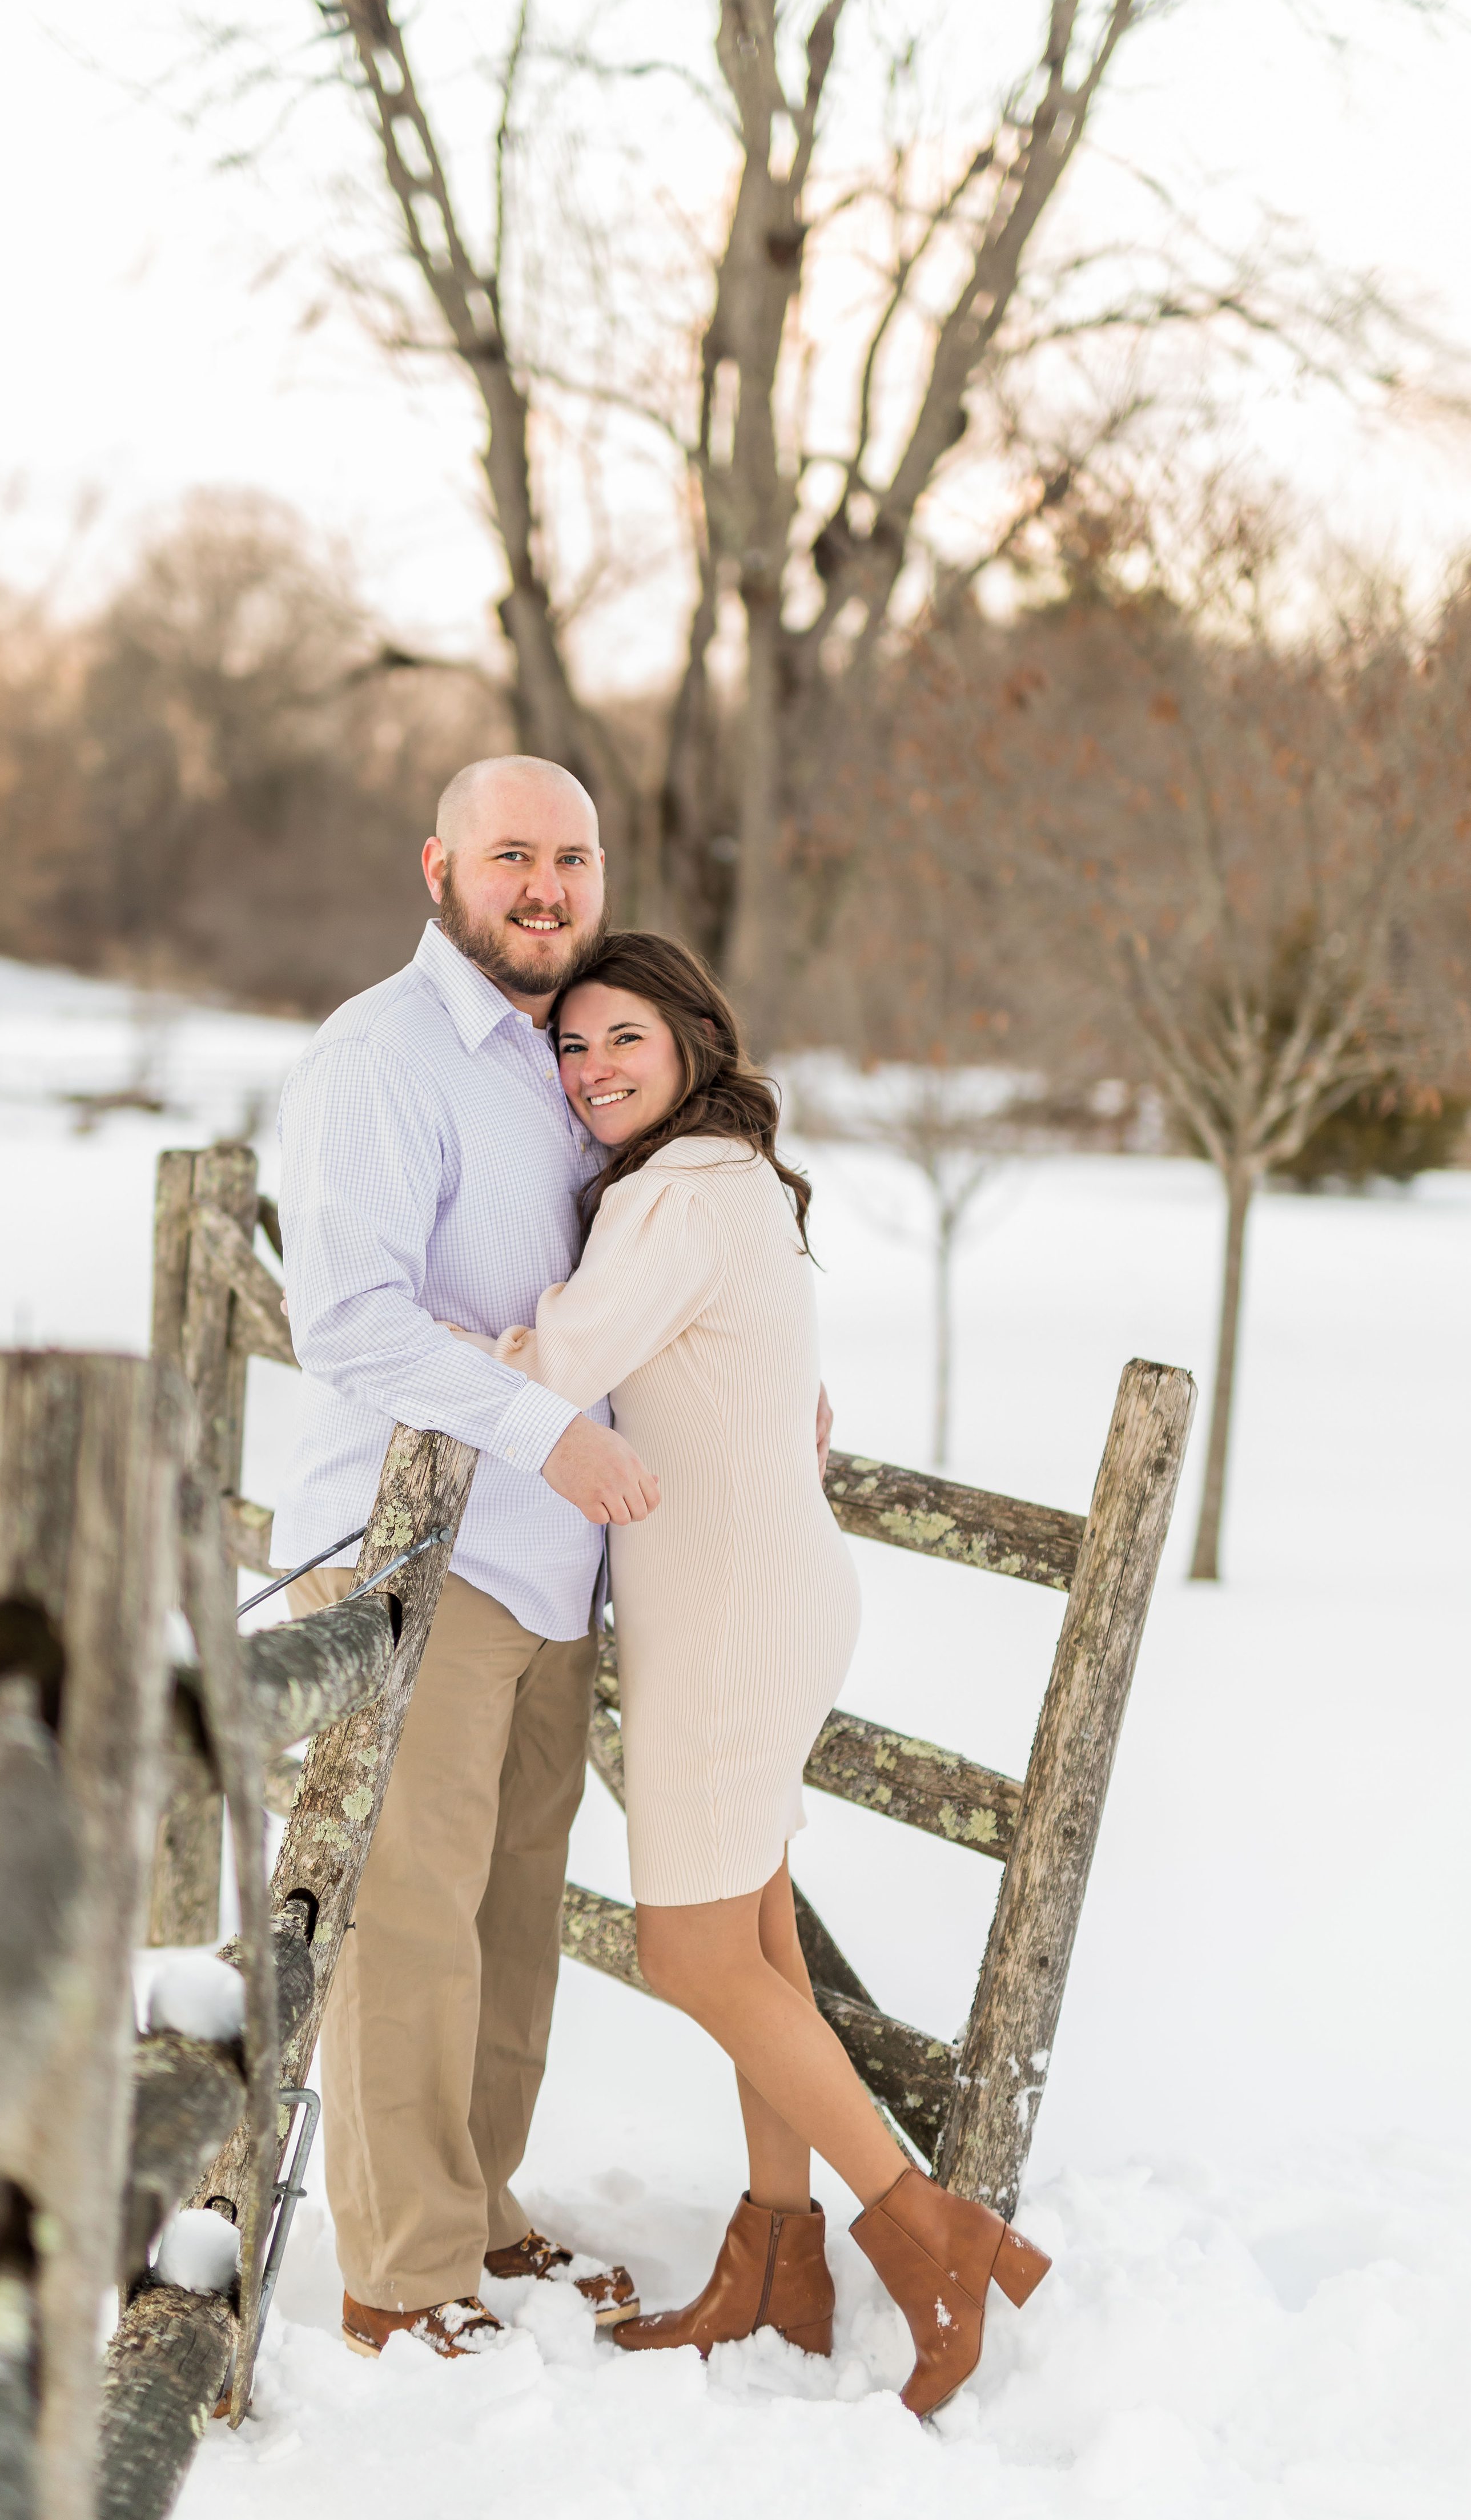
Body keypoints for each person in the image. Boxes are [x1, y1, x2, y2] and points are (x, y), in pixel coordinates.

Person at [448, 932, 1052, 2416]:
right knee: (760, 1932)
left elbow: (550, 1361)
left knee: (696, 1955)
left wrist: (444, 1336)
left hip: (724, 1613)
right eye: (572, 1050)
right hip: (767, 1593)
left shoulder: (670, 1197)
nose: (591, 1070)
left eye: (622, 1041)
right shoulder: (732, 1185)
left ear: (692, 1040)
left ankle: (928, 2237)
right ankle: (776, 2260)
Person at [271, 755, 661, 2360]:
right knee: (410, 1916)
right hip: (413, 1551)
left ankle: (483, 2208)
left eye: (572, 858)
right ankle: (402, 2267)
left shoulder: (575, 1054)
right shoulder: (381, 1055)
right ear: (442, 865)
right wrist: (541, 1422)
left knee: (510, 1913)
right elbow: (347, 1320)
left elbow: (598, 1287)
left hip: (553, 1564)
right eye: (514, 855)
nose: (548, 886)